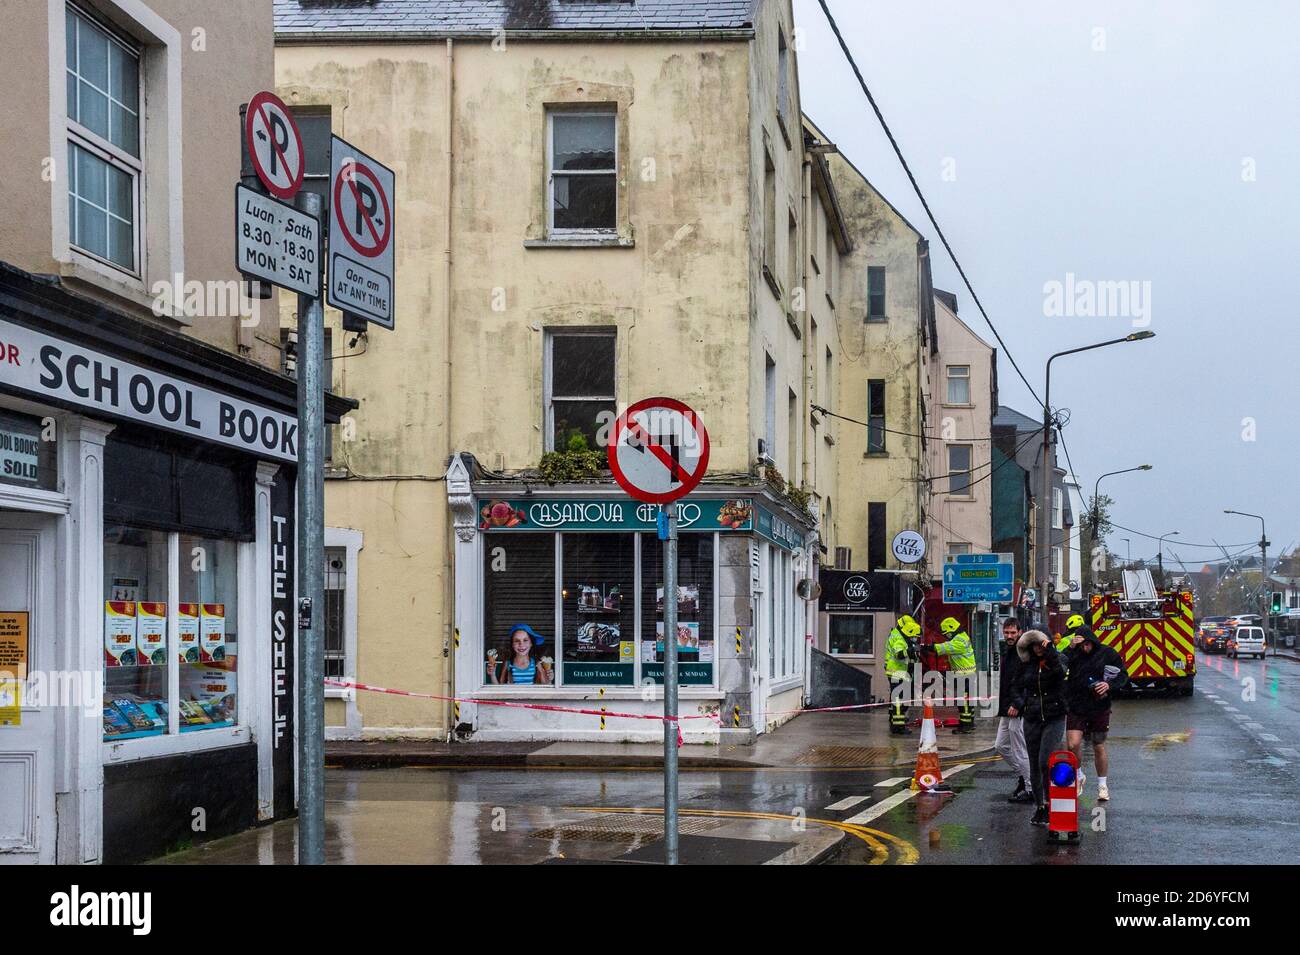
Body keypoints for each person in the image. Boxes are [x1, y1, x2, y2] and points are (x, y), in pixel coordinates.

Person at [1062, 624, 1128, 801]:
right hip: (1076, 705)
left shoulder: (1107, 653)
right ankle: (1078, 775)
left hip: (1099, 705)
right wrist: (1070, 647)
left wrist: (1109, 685)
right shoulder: (1073, 653)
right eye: (1081, 645)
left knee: (1098, 745)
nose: (1085, 648)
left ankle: (1102, 785)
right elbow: (1059, 663)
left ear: (1092, 641)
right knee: (1072, 744)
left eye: (1087, 644)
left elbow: (1123, 675)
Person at [1011, 630, 1068, 826]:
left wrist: (1051, 653)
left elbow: (1060, 675)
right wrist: (1021, 703)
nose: (1037, 648)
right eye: (1033, 645)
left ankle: (1052, 802)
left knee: (1046, 761)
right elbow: (1015, 686)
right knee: (1034, 763)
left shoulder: (1058, 658)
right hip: (1032, 718)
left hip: (1054, 716)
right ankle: (1040, 806)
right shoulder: (1026, 664)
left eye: (1040, 644)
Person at [995, 617, 1035, 804]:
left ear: (1020, 632)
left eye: (1013, 632)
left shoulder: (1023, 652)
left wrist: (1018, 704)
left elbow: (1026, 682)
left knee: (1020, 750)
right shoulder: (1010, 651)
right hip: (1007, 707)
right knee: (1001, 746)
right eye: (1007, 632)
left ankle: (1030, 788)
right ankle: (1024, 776)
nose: (1009, 636)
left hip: (1017, 708)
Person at [934, 616, 977, 733]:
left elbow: (944, 648)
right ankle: (969, 723)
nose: (946, 636)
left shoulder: (958, 640)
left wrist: (929, 647)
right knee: (967, 702)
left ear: (952, 629)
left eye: (947, 633)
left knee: (964, 703)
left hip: (964, 676)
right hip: (967, 674)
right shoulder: (962, 637)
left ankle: (965, 726)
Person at [486, 624, 554, 685]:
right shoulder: (508, 664)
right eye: (517, 641)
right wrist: (492, 675)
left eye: (525, 640)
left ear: (531, 643)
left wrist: (549, 680)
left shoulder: (537, 664)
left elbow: (546, 687)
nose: (521, 644)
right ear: (512, 644)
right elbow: (499, 690)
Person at [886, 615, 921, 734]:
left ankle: (896, 719)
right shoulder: (899, 638)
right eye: (914, 636)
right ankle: (898, 727)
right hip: (897, 672)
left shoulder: (901, 635)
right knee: (899, 699)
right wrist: (911, 651)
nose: (915, 638)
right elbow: (899, 654)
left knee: (900, 698)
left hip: (901, 672)